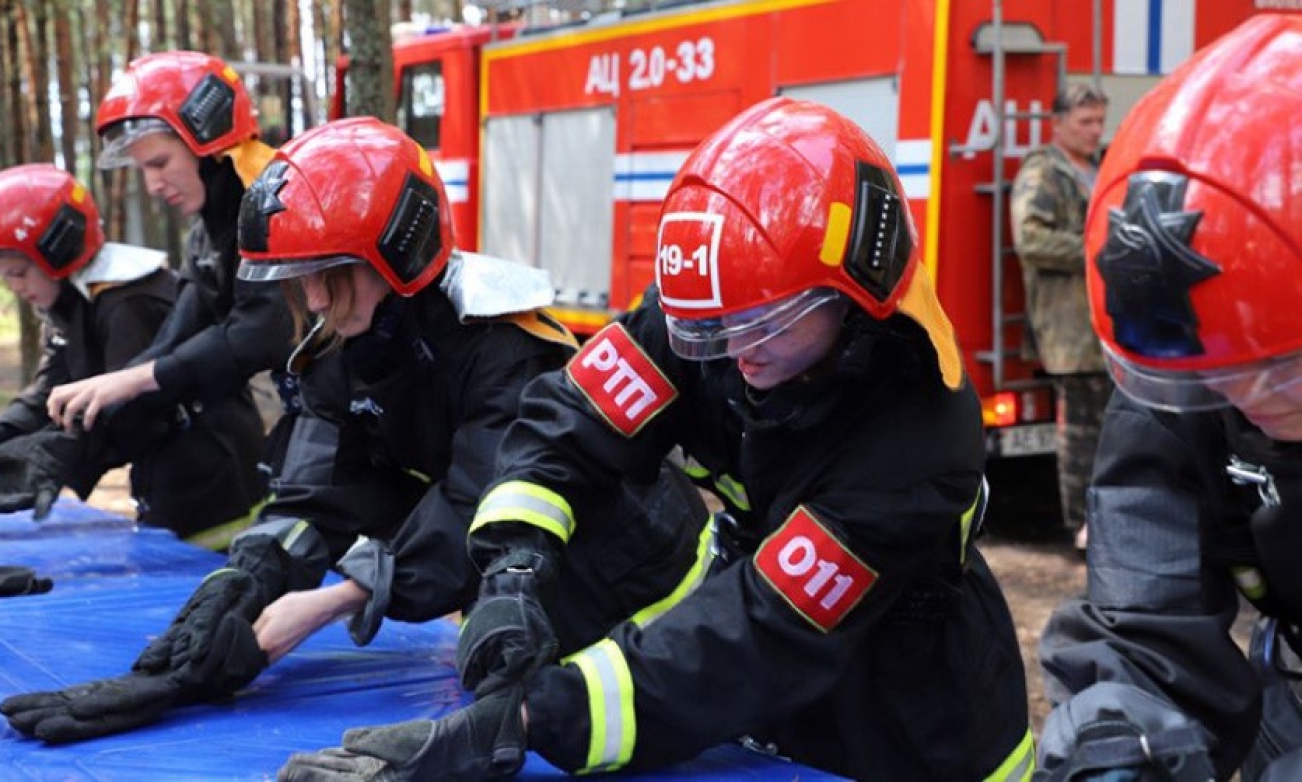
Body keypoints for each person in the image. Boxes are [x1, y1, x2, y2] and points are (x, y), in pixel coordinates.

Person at [279, 97, 1034, 782]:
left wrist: (529, 720)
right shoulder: (721, 303)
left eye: (763, 328)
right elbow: (568, 422)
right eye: (711, 331)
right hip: (760, 713)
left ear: (854, 298)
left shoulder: (917, 441)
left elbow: (753, 634)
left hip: (911, 730)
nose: (737, 355)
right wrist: (514, 564)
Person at [0, 117, 708, 745]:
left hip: (650, 598)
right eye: (296, 278)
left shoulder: (504, 348)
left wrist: (340, 598)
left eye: (327, 275)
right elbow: (318, 495)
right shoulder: (346, 344)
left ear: (397, 254)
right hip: (526, 615)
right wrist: (241, 587)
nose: (310, 299)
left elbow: (479, 501)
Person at [1034, 14, 1302, 782]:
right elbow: (1146, 616)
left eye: (1281, 371)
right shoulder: (1189, 358)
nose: (1245, 403)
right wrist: (1115, 737)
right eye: (1216, 379)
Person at [0, 164, 263, 542]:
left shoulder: (128, 302)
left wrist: (54, 454)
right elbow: (51, 392)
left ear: (58, 250)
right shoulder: (74, 303)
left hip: (214, 487)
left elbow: (135, 412)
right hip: (169, 484)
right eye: (4, 275)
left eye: (19, 272)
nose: (14, 287)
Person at [37, 51, 295, 546]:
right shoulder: (210, 230)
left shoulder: (272, 206)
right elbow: (182, 334)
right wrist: (93, 413)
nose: (154, 185)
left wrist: (134, 379)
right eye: (142, 170)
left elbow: (259, 330)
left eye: (160, 162)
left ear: (208, 140)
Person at [1010, 83, 1113, 549]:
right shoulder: (1044, 172)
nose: (1096, 131)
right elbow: (1030, 239)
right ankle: (1082, 527)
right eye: (1085, 122)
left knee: (1112, 432)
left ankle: (1111, 521)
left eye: (1099, 120)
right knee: (1080, 437)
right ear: (1059, 123)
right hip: (1068, 327)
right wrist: (1097, 251)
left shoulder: (1100, 166)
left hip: (1106, 322)